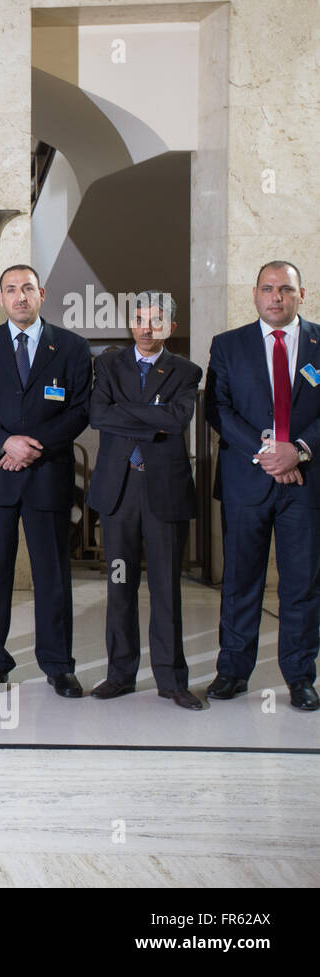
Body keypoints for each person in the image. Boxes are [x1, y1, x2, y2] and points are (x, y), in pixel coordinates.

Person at [0, 264, 92, 695]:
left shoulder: (71, 347)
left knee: (52, 575)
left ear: (42, 294)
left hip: (47, 476)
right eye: (12, 290)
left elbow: (79, 411)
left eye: (28, 289)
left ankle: (58, 665)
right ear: (1, 297)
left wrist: (31, 445)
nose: (20, 297)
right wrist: (5, 445)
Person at [205, 260, 320, 712]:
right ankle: (232, 671)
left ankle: (300, 677)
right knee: (240, 582)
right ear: (254, 294)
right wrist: (269, 452)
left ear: (301, 294)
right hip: (245, 481)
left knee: (302, 585)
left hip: (305, 484)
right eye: (268, 289)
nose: (276, 298)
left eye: (286, 290)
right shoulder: (228, 345)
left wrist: (301, 450)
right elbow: (218, 407)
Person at [87, 292, 203, 710]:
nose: (146, 326)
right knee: (120, 585)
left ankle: (172, 680)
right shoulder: (107, 364)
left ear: (171, 327)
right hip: (120, 491)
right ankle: (119, 674)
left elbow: (177, 420)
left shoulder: (187, 370)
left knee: (166, 589)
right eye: (139, 318)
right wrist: (151, 416)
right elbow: (98, 416)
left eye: (156, 320)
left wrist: (127, 412)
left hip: (164, 491)